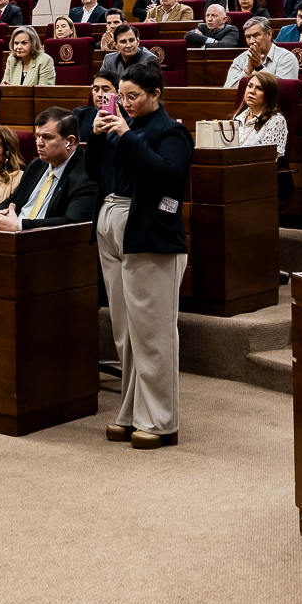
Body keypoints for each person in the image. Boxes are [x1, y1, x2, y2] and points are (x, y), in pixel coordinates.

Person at [91, 58, 195, 448]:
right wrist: (98, 137)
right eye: (121, 96)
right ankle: (132, 411)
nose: (125, 103)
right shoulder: (122, 127)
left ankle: (161, 420)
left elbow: (167, 175)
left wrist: (125, 134)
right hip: (112, 223)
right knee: (125, 332)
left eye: (133, 96)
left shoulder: (172, 132)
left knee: (153, 332)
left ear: (156, 95)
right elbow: (97, 173)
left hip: (151, 234)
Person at [0, 108, 96, 230]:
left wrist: (19, 226)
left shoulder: (88, 173)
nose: (39, 143)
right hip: (12, 234)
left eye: (47, 137)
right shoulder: (36, 165)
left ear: (69, 141)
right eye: (38, 136)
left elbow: (72, 222)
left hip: (46, 239)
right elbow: (12, 200)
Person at [229, 68, 289, 157]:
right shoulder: (238, 116)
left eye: (259, 89)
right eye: (250, 86)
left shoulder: (275, 121)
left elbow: (269, 157)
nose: (252, 91)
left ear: (269, 95)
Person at [223, 16, 299, 86]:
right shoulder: (240, 60)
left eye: (256, 36)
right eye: (248, 37)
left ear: (269, 34)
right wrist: (247, 72)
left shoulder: (287, 58)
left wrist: (259, 68)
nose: (251, 41)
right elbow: (228, 91)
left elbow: (282, 90)